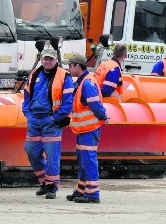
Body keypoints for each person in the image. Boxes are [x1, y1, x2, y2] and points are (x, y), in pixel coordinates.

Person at [22, 48, 74, 199]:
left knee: (52, 155)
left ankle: (51, 187)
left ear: (56, 60)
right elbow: (26, 95)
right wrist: (27, 112)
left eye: (50, 59)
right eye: (45, 59)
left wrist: (55, 118)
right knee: (31, 151)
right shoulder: (34, 74)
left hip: (51, 121)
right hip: (34, 120)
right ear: (41, 60)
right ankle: (44, 181)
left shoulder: (64, 76)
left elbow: (68, 101)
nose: (47, 61)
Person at [66, 53, 109, 204]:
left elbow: (95, 104)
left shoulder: (87, 83)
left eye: (70, 66)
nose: (68, 69)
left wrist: (104, 116)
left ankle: (92, 194)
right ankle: (82, 190)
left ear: (77, 66)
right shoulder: (84, 81)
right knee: (83, 160)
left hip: (89, 128)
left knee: (88, 160)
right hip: (83, 129)